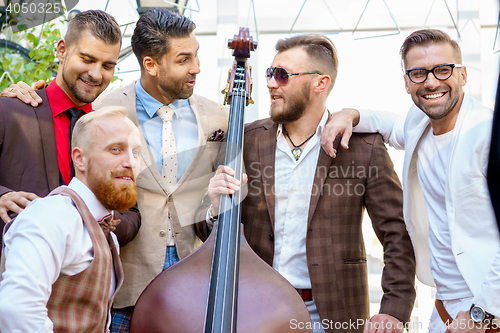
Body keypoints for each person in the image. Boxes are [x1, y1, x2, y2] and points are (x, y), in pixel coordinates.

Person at [2, 8, 228, 332]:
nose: (97, 73)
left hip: (169, 285)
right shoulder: (90, 108)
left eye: (108, 65)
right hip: (98, 288)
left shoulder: (215, 117)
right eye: (183, 59)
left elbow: (144, 204)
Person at [196, 33, 416, 333]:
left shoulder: (366, 148)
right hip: (253, 309)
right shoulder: (244, 140)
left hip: (334, 314)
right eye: (269, 74)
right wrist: (214, 210)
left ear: (320, 83)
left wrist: (393, 310)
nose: (271, 83)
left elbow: (397, 236)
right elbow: (205, 231)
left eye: (282, 75)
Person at [321, 29, 500, 333]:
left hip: (486, 308)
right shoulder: (419, 124)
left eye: (443, 70)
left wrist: (482, 313)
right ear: (406, 82)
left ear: (463, 75)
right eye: (418, 73)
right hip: (443, 308)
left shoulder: (487, 134)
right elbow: (388, 124)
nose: (431, 82)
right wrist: (348, 114)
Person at [0, 9, 140, 248]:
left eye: (107, 65)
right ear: (62, 50)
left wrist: (101, 215)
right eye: (87, 59)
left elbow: (132, 217)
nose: (96, 74)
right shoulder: (9, 110)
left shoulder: (114, 132)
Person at [0, 106, 142, 332]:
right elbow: (16, 310)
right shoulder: (53, 216)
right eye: (116, 149)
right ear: (80, 159)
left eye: (136, 152)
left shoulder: (106, 232)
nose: (131, 163)